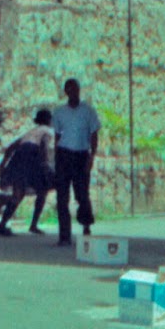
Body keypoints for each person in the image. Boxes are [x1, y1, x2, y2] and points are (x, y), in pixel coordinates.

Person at [52, 78, 100, 246]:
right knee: (62, 197)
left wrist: (92, 156)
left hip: (81, 155)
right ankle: (64, 235)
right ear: (66, 92)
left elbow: (94, 134)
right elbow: (57, 136)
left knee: (82, 194)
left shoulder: (88, 111)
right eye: (69, 90)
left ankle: (86, 225)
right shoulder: (59, 112)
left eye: (75, 89)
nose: (72, 93)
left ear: (79, 90)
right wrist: (55, 158)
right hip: (64, 155)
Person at [0, 108, 54, 235]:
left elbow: (11, 147)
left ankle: (2, 224)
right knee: (42, 192)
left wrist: (3, 165)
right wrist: (45, 163)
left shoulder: (30, 132)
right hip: (32, 158)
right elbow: (43, 144)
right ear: (49, 120)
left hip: (19, 158)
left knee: (18, 193)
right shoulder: (47, 131)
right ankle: (33, 225)